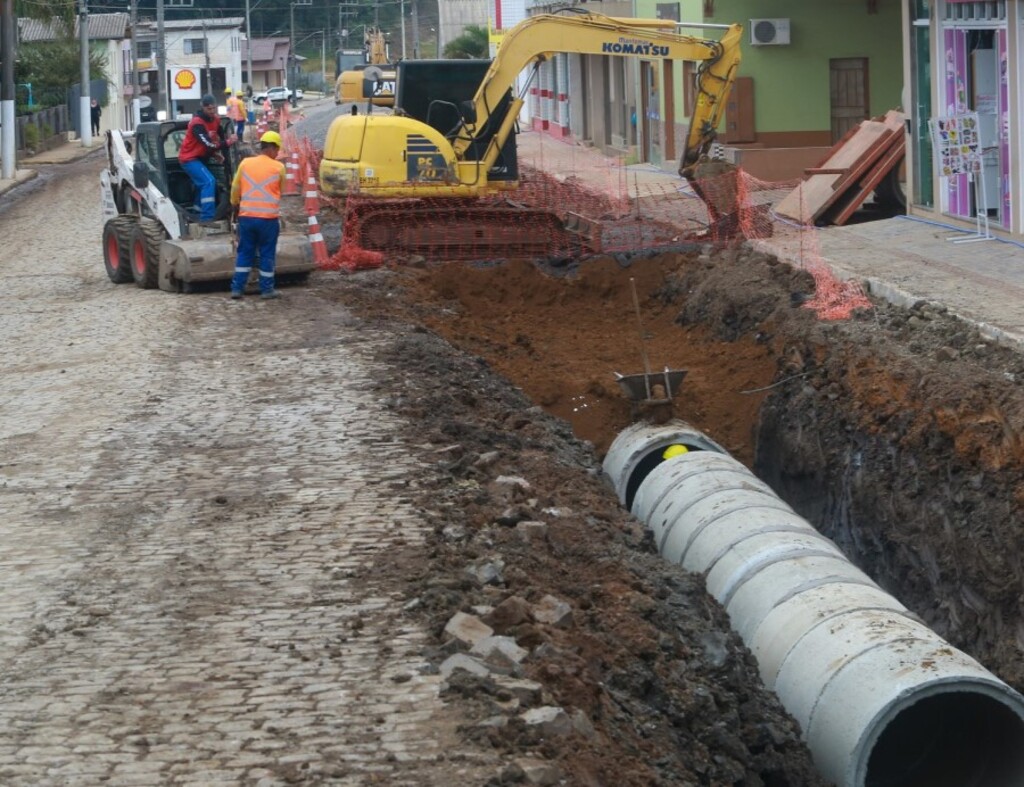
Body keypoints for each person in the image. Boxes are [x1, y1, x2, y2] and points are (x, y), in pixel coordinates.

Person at [229, 130, 286, 300]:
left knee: (245, 252)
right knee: (267, 253)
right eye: (277, 150)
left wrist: (234, 203)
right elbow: (280, 191)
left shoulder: (245, 163)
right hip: (268, 221)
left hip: (246, 218)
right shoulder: (279, 167)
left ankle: (237, 289)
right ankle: (267, 290)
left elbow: (235, 188)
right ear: (272, 148)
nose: (277, 154)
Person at [178, 94, 237, 222]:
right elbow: (208, 144)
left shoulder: (216, 120)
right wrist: (227, 143)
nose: (212, 111)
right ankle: (207, 218)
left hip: (201, 158)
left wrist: (219, 152)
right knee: (208, 182)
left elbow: (218, 139)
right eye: (209, 109)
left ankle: (197, 212)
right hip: (189, 159)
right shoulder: (197, 124)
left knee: (202, 185)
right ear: (203, 108)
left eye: (214, 108)